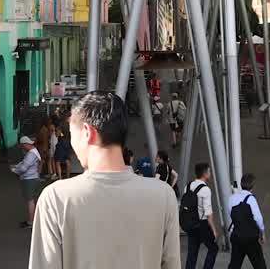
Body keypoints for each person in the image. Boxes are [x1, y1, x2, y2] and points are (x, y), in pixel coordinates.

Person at [28, 91, 181, 269]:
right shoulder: (164, 196)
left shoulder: (55, 199)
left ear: (87, 132)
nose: (72, 144)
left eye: (72, 134)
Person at [226, 174, 267, 269]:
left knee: (235, 264)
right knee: (259, 264)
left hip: (236, 236)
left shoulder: (232, 198)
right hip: (250, 238)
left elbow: (231, 215)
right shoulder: (251, 199)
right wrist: (262, 233)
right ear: (253, 186)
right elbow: (258, 219)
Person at [183, 163, 218, 269]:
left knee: (192, 252)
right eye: (209, 171)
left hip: (190, 223)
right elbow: (208, 212)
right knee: (213, 248)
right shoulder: (205, 189)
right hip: (202, 224)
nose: (210, 173)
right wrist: (214, 230)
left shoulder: (188, 186)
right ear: (205, 174)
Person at [12, 136, 43, 229]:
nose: (22, 148)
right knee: (32, 200)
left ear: (26, 144)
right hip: (33, 178)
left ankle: (31, 222)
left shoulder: (31, 154)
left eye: (22, 145)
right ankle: (33, 220)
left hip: (30, 179)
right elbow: (24, 163)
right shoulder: (33, 152)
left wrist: (15, 170)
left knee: (30, 201)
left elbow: (24, 167)